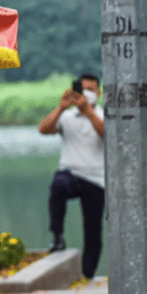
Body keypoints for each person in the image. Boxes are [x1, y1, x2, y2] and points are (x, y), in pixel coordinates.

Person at [37, 73, 105, 279]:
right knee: (57, 185)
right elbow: (43, 129)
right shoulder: (67, 116)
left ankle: (87, 274)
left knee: (93, 229)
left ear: (98, 93)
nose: (86, 94)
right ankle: (57, 236)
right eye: (82, 90)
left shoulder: (104, 115)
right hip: (71, 174)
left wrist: (88, 112)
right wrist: (61, 107)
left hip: (96, 179)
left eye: (91, 90)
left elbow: (107, 134)